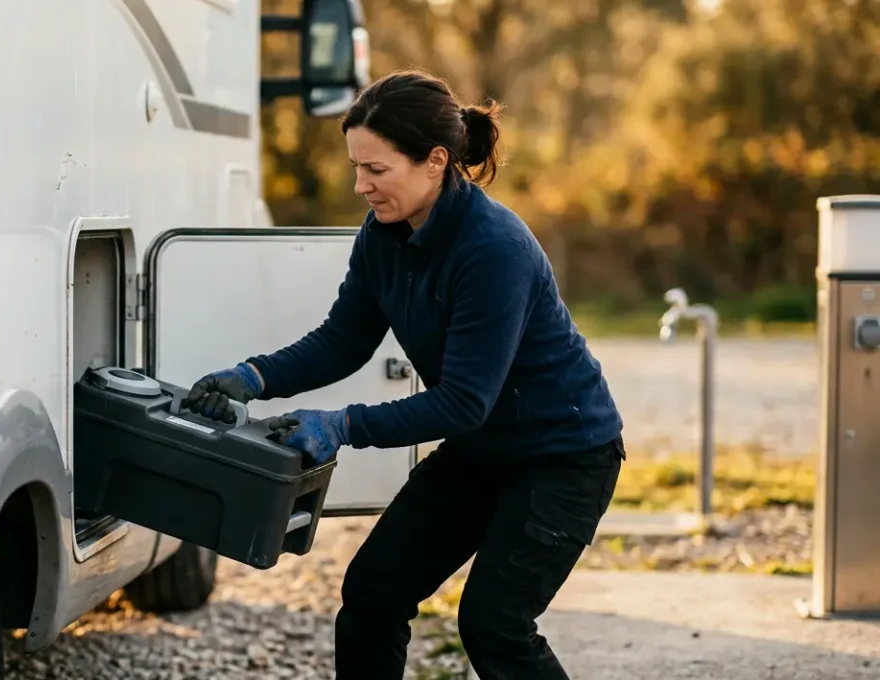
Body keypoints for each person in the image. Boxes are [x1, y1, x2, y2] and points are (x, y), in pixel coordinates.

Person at [180, 69, 626, 680]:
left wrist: (341, 424)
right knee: (372, 595)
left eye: (376, 170)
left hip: (563, 456)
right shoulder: (384, 234)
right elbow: (344, 340)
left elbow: (463, 403)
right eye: (356, 168)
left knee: (495, 623)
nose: (361, 185)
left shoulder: (494, 249)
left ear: (435, 162)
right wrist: (254, 376)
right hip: (483, 450)